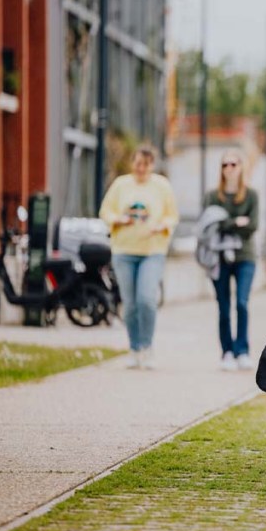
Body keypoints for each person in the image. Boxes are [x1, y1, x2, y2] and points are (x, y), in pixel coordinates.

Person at [99, 145, 178, 369]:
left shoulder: (161, 186)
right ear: (132, 163)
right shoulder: (121, 184)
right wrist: (118, 219)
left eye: (146, 164)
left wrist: (161, 225)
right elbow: (105, 211)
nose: (141, 168)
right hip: (124, 251)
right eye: (137, 163)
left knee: (146, 299)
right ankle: (134, 348)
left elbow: (172, 216)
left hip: (152, 251)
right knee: (131, 304)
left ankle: (147, 346)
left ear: (152, 165)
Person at [203, 150, 259, 371]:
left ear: (241, 167)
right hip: (218, 258)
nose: (229, 168)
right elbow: (209, 226)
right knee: (223, 307)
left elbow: (252, 227)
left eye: (233, 164)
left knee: (242, 303)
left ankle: (242, 350)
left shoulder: (251, 195)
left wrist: (226, 223)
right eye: (225, 164)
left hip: (245, 256)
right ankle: (227, 351)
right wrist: (237, 222)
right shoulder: (212, 196)